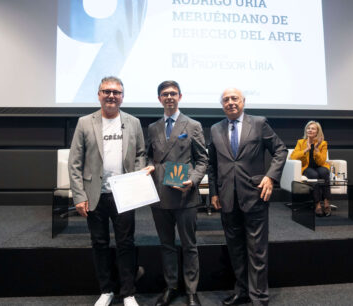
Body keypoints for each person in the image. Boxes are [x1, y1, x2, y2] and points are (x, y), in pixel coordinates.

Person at [68, 76, 151, 306]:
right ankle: (106, 290)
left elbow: (140, 154)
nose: (111, 95)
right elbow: (75, 162)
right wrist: (79, 195)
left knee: (126, 243)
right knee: (99, 243)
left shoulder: (133, 122)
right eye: (107, 91)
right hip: (95, 195)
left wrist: (136, 181)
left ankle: (128, 292)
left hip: (124, 194)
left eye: (116, 92)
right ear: (99, 94)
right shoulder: (85, 122)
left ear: (122, 96)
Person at [208, 88, 287, 306]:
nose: (230, 102)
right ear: (222, 104)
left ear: (244, 101)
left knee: (257, 250)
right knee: (235, 250)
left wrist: (271, 177)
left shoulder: (259, 123)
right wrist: (214, 192)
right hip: (226, 198)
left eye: (235, 99)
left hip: (255, 195)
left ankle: (259, 297)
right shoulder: (215, 129)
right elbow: (212, 165)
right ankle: (242, 291)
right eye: (226, 100)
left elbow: (280, 150)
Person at [146, 81, 208, 306]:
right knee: (167, 245)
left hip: (185, 195)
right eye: (164, 94)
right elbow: (147, 155)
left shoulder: (193, 125)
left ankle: (191, 290)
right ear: (159, 99)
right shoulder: (153, 127)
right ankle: (171, 286)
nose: (169, 97)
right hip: (159, 195)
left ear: (180, 96)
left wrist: (192, 180)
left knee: (190, 245)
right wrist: (148, 165)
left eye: (173, 93)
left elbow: (202, 159)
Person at [289, 121, 332, 217]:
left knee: (324, 172)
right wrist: (306, 150)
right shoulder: (301, 142)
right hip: (307, 167)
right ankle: (317, 204)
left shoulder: (323, 143)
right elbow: (293, 156)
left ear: (317, 132)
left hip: (320, 166)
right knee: (314, 175)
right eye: (308, 128)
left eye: (313, 128)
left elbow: (321, 162)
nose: (310, 130)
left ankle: (326, 202)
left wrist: (316, 150)